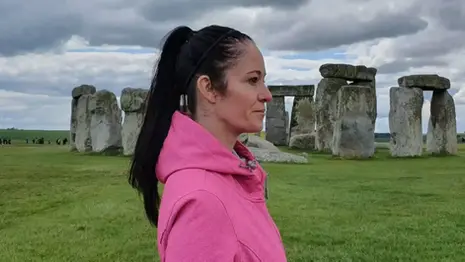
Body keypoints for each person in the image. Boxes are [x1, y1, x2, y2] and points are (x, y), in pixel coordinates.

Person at [128, 24, 288, 261]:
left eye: (263, 80)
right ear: (209, 88)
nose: (267, 94)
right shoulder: (202, 202)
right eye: (253, 80)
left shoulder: (230, 178)